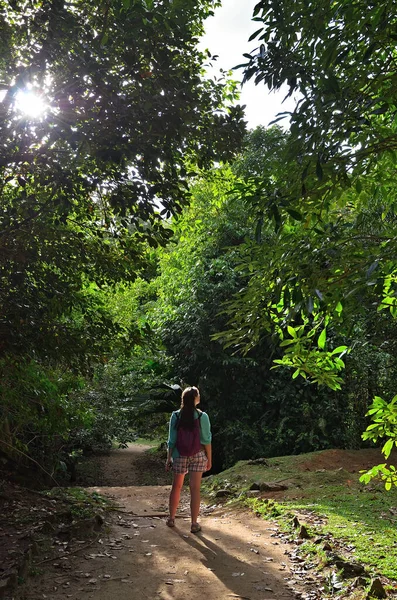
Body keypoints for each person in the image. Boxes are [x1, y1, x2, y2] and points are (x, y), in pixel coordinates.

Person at [165, 386, 212, 533]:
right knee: (195, 489)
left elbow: (171, 440)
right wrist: (209, 459)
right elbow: (206, 440)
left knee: (176, 487)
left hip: (179, 455)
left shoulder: (176, 416)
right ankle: (193, 523)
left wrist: (169, 458)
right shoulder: (202, 416)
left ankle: (172, 519)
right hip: (198, 455)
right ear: (196, 399)